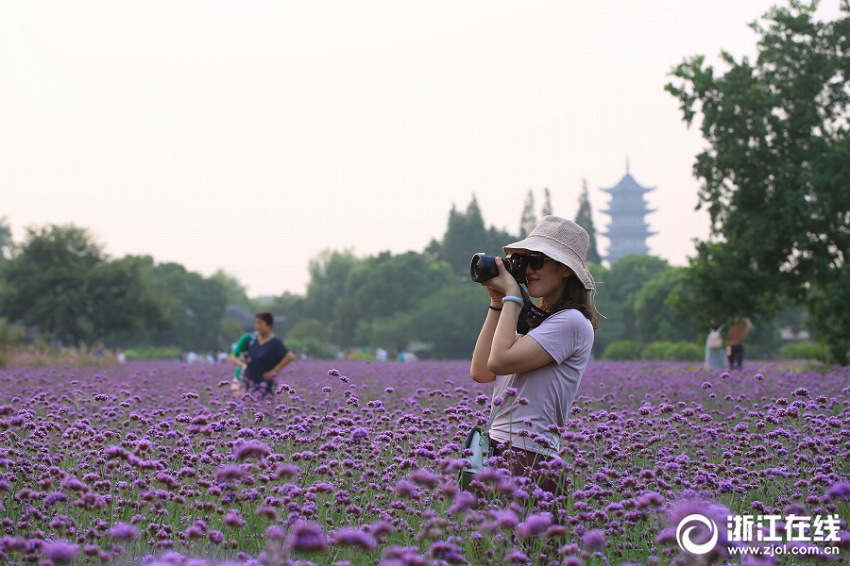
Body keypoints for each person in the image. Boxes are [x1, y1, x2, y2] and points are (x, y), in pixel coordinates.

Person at [470, 216, 597, 495]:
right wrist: (497, 301)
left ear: (565, 269)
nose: (528, 271)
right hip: (497, 450)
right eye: (524, 262)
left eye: (537, 261)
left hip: (529, 460)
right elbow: (482, 371)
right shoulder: (540, 321)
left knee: (521, 540)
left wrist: (513, 296)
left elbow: (499, 361)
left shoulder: (572, 322)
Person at [241, 311, 295, 397]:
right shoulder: (253, 341)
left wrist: (274, 371)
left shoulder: (275, 342)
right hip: (250, 383)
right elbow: (245, 354)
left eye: (259, 323)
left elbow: (289, 356)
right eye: (256, 323)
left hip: (265, 385)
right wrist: (245, 360)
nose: (257, 326)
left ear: (268, 324)